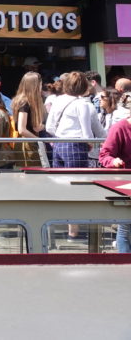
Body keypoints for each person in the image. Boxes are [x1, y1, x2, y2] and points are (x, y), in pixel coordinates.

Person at [46, 71, 103, 169]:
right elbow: (87, 133)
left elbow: (49, 128)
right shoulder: (82, 104)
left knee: (59, 180)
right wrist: (90, 144)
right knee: (77, 179)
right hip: (76, 146)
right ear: (84, 87)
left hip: (58, 144)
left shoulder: (57, 100)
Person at [98, 114, 131, 252]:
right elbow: (104, 155)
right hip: (127, 185)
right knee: (125, 228)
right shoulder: (119, 128)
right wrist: (113, 161)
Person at [12, 71, 50, 168]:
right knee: (33, 174)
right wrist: (38, 140)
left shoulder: (25, 101)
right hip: (27, 144)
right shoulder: (24, 102)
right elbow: (21, 129)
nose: (41, 86)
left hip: (28, 142)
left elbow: (34, 127)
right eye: (40, 84)